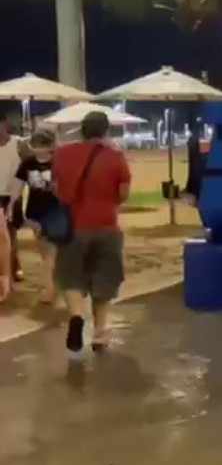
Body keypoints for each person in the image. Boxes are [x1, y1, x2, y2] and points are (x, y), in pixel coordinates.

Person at [53, 111, 131, 358]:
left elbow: (56, 188)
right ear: (107, 130)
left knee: (71, 276)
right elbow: (123, 195)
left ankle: (76, 316)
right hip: (106, 226)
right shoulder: (116, 157)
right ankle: (99, 333)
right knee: (104, 279)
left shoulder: (63, 154)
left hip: (73, 227)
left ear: (82, 129)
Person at [12, 129, 59, 303]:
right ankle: (53, 285)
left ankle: (50, 290)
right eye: (37, 145)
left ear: (51, 146)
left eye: (44, 145)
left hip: (56, 212)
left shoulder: (58, 163)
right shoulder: (28, 163)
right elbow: (19, 184)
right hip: (35, 213)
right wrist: (12, 202)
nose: (40, 149)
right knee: (44, 252)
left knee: (50, 253)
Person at [0, 118, 24, 283]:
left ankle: (14, 267)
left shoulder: (19, 144)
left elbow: (33, 163)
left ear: (5, 124)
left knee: (11, 233)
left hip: (12, 195)